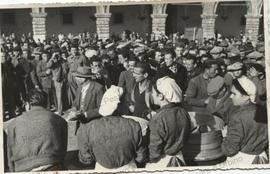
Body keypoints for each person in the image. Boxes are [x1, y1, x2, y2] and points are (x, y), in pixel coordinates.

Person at [77, 85, 148, 171]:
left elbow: (86, 158)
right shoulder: (134, 125)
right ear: (120, 105)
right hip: (128, 168)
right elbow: (141, 157)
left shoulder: (89, 128)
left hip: (101, 169)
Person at [6, 89, 67, 172]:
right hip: (52, 165)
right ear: (46, 104)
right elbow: (63, 151)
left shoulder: (13, 124)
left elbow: (10, 155)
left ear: (28, 105)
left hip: (23, 168)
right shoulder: (60, 120)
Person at [220, 78, 268, 167]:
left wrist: (224, 139)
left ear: (246, 97)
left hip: (242, 161)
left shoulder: (237, 117)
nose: (230, 96)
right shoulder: (264, 110)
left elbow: (230, 150)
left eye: (234, 94)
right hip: (262, 158)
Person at [146, 76, 190, 168]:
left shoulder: (158, 118)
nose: (152, 95)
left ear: (161, 96)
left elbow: (155, 147)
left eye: (153, 92)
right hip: (179, 158)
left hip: (162, 162)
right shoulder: (183, 112)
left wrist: (151, 160)